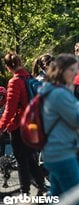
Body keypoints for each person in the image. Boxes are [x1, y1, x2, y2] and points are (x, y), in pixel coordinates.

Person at [40, 54, 79, 205]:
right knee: (76, 201)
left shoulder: (50, 90)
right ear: (62, 71)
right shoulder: (60, 94)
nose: (76, 74)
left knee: (56, 198)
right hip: (63, 153)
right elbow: (78, 121)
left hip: (53, 152)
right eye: (72, 70)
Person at [0, 52, 45, 195]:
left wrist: (1, 126)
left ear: (8, 67)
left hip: (19, 126)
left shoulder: (15, 82)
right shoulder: (29, 77)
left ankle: (25, 192)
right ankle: (41, 185)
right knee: (30, 158)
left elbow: (10, 109)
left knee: (22, 161)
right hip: (33, 123)